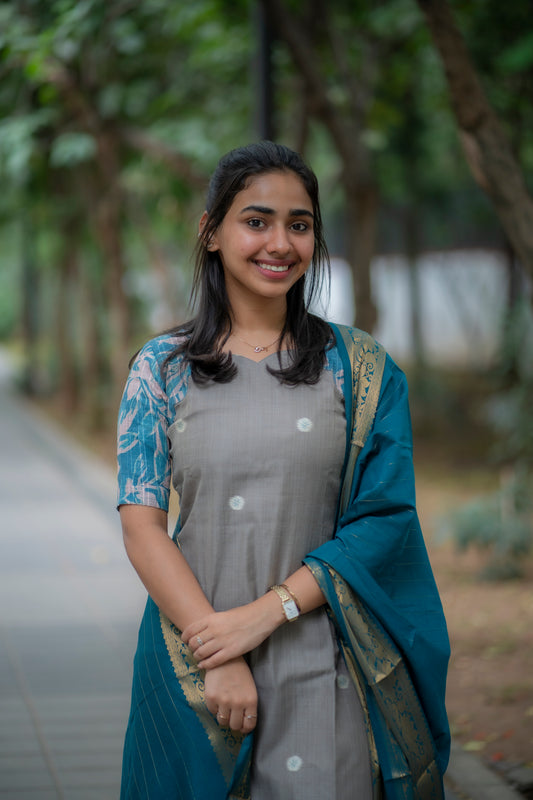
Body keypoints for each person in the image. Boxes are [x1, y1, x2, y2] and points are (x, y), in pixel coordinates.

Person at [116, 141, 450, 800]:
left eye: (299, 224)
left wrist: (265, 615)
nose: (280, 242)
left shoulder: (360, 370)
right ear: (212, 233)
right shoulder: (160, 368)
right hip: (193, 652)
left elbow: (382, 521)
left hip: (330, 654)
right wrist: (221, 649)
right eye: (256, 220)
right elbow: (141, 525)